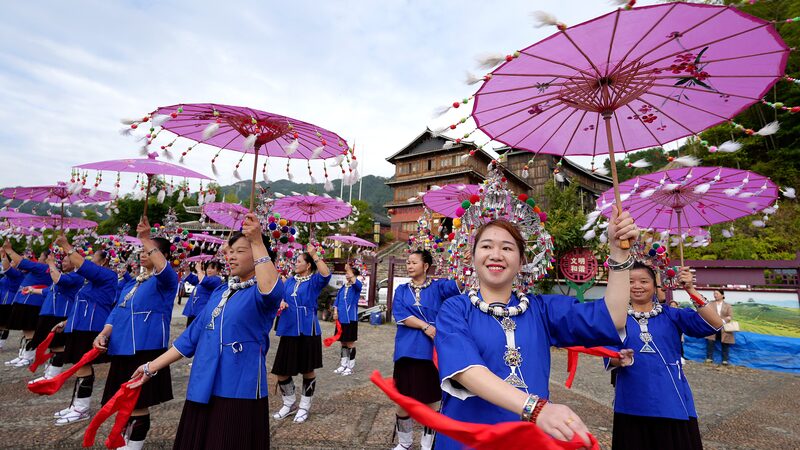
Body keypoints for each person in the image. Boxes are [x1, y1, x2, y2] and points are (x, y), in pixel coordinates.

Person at [434, 207, 638, 450]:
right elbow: (465, 370)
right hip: (467, 439)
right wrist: (536, 408)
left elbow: (613, 316)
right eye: (487, 246)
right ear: (473, 256)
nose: (496, 254)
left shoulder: (541, 309)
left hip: (528, 440)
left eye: (507, 248)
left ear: (521, 261)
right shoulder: (455, 309)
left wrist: (619, 253)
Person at [129, 213, 284, 450]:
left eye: (239, 251)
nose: (230, 256)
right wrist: (151, 367)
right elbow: (189, 339)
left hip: (238, 386)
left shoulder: (260, 295)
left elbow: (271, 290)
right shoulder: (221, 291)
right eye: (229, 251)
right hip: (204, 383)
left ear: (257, 253)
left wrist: (257, 241)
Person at [605, 263, 724, 450]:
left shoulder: (672, 314)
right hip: (631, 400)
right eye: (630, 282)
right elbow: (607, 355)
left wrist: (690, 290)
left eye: (644, 281)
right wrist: (618, 358)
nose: (637, 286)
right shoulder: (616, 318)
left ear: (654, 285)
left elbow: (716, 324)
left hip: (671, 398)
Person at [93, 216, 178, 449]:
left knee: (138, 403)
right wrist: (104, 333)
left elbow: (163, 269)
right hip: (122, 347)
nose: (144, 254)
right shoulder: (133, 283)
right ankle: (125, 442)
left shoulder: (167, 282)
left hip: (145, 349)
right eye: (142, 250)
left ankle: (133, 446)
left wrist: (145, 238)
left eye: (150, 251)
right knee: (122, 402)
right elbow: (116, 312)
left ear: (163, 256)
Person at [392, 249, 461, 450]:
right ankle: (404, 443)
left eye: (414, 262)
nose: (409, 265)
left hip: (431, 353)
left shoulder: (438, 287)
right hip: (405, 351)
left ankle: (427, 444)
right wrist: (426, 326)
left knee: (432, 401)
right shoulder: (401, 290)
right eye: (408, 262)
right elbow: (401, 314)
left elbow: (460, 285)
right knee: (402, 400)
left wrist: (465, 264)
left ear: (425, 266)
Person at [52, 234, 117, 425]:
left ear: (104, 261)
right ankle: (76, 405)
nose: (89, 262)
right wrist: (66, 322)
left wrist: (66, 246)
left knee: (82, 366)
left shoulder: (108, 275)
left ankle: (82, 408)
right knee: (79, 367)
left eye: (93, 259)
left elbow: (85, 267)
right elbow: (79, 304)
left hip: (92, 328)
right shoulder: (89, 282)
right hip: (80, 326)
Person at [271, 243, 331, 423]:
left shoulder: (314, 281)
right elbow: (280, 295)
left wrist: (314, 254)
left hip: (307, 330)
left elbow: (326, 274)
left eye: (298, 261)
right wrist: (281, 302)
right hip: (289, 328)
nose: (295, 264)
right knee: (281, 370)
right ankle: (289, 403)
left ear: (308, 265)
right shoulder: (289, 280)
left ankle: (304, 406)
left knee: (307, 369)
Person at [26, 249, 83, 383]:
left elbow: (58, 280)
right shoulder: (64, 274)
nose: (63, 263)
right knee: (51, 344)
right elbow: (50, 290)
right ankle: (49, 372)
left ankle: (53, 376)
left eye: (67, 261)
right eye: (62, 260)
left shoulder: (76, 276)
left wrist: (51, 264)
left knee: (58, 345)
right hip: (50, 312)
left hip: (61, 313)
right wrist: (32, 290)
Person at [3, 242, 52, 367]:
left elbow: (23, 263)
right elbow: (13, 268)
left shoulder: (44, 268)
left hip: (33, 302)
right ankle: (22, 355)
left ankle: (28, 357)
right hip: (25, 301)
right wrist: (4, 254)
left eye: (41, 256)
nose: (39, 258)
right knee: (25, 331)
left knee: (30, 330)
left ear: (48, 258)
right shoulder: (37, 269)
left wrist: (9, 250)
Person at [331, 263, 362, 376]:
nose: (347, 275)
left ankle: (350, 366)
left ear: (354, 275)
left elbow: (356, 283)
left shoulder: (356, 286)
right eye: (346, 273)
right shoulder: (344, 287)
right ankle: (343, 364)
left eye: (349, 273)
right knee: (343, 342)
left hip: (350, 319)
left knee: (350, 343)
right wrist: (335, 312)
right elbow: (337, 301)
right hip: (341, 319)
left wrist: (349, 269)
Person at [181, 261, 223, 327]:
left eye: (212, 268)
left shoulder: (217, 280)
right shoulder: (203, 278)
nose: (209, 270)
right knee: (189, 331)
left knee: (197, 333)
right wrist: (187, 269)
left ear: (218, 271)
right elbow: (191, 279)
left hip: (202, 311)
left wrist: (199, 269)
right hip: (193, 310)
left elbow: (204, 281)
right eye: (208, 268)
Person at [0, 248, 25, 351]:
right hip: (2, 299)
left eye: (14, 261)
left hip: (8, 301)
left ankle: (1, 344)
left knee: (4, 324)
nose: (11, 262)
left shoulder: (17, 274)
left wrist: (2, 254)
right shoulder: (9, 274)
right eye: (12, 260)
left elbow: (6, 267)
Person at [705, 289, 734, 365]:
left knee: (725, 342)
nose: (715, 295)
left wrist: (723, 321)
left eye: (717, 294)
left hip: (724, 327)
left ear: (722, 295)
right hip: (713, 325)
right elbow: (707, 313)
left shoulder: (728, 305)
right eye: (714, 294)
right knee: (710, 341)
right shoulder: (710, 304)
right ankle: (709, 358)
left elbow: (730, 316)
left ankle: (725, 360)